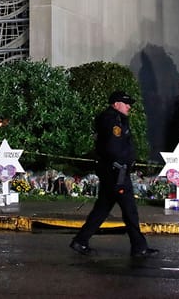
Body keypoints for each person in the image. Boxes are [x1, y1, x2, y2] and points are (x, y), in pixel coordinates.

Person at [70, 90, 159, 258]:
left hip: (113, 171)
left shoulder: (114, 118)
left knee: (102, 209)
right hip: (117, 172)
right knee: (130, 210)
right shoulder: (113, 121)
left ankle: (80, 241)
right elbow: (113, 147)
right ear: (116, 104)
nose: (129, 106)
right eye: (126, 103)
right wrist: (122, 163)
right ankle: (139, 247)